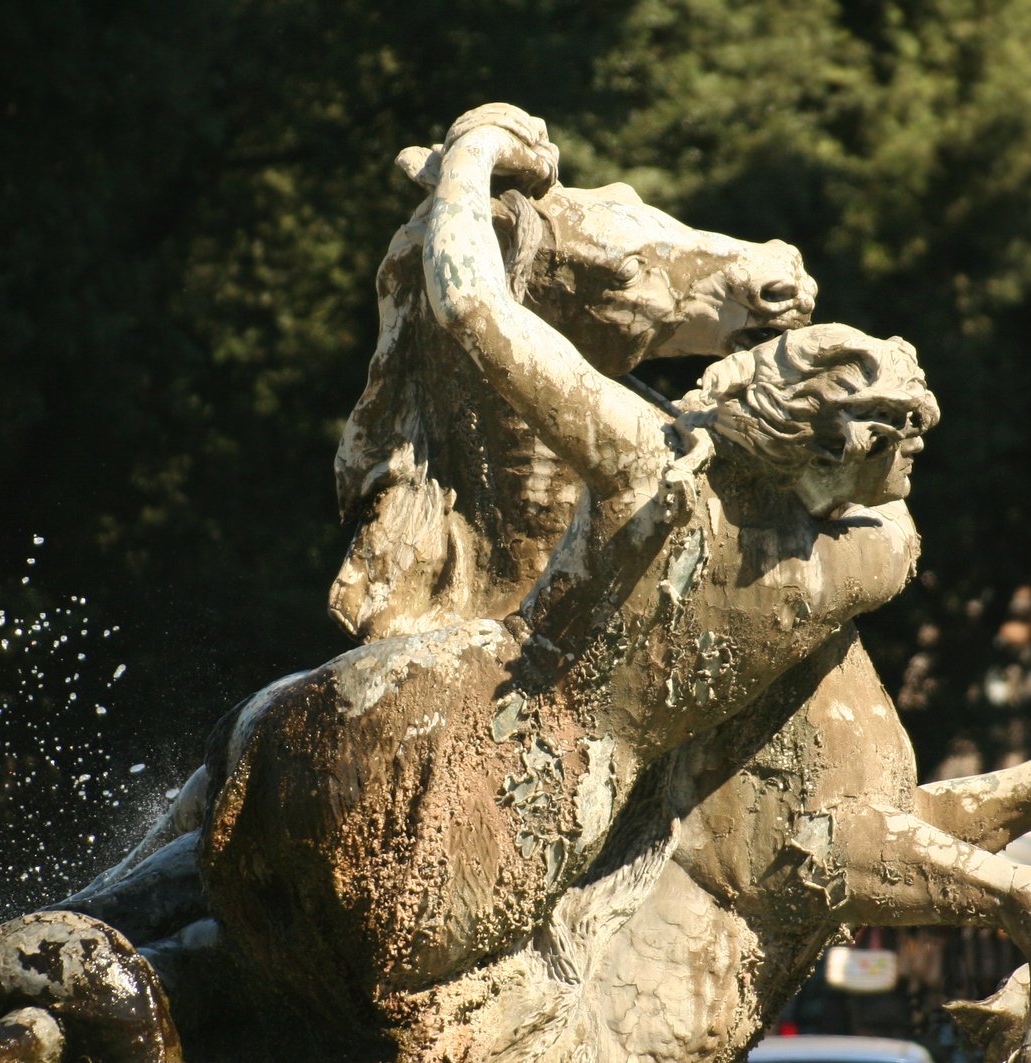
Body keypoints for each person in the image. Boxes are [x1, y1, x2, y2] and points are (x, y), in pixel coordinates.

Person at [196, 105, 938, 1030]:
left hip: (546, 748)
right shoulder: (867, 549)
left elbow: (469, 302)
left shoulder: (641, 459)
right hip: (586, 792)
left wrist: (470, 157)